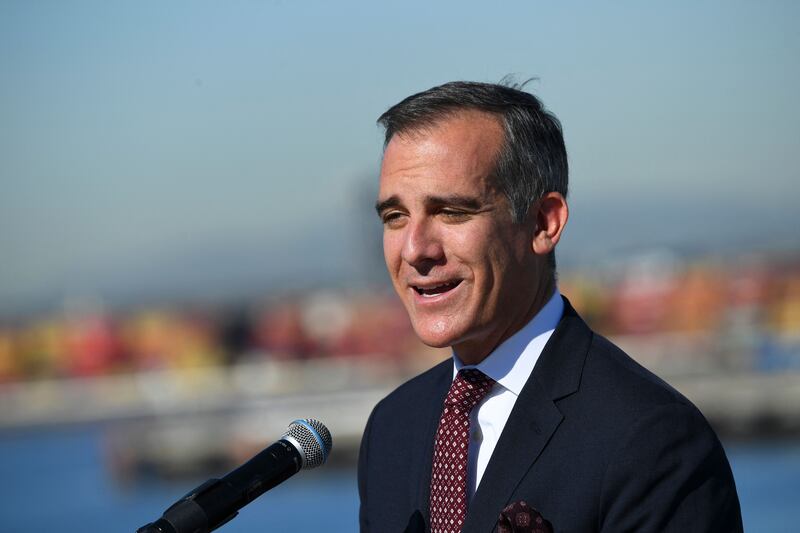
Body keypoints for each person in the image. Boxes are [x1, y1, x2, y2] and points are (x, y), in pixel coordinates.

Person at [357, 81, 743, 533]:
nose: (415, 249)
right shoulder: (392, 428)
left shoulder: (650, 439)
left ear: (543, 222)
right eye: (394, 217)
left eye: (452, 212)